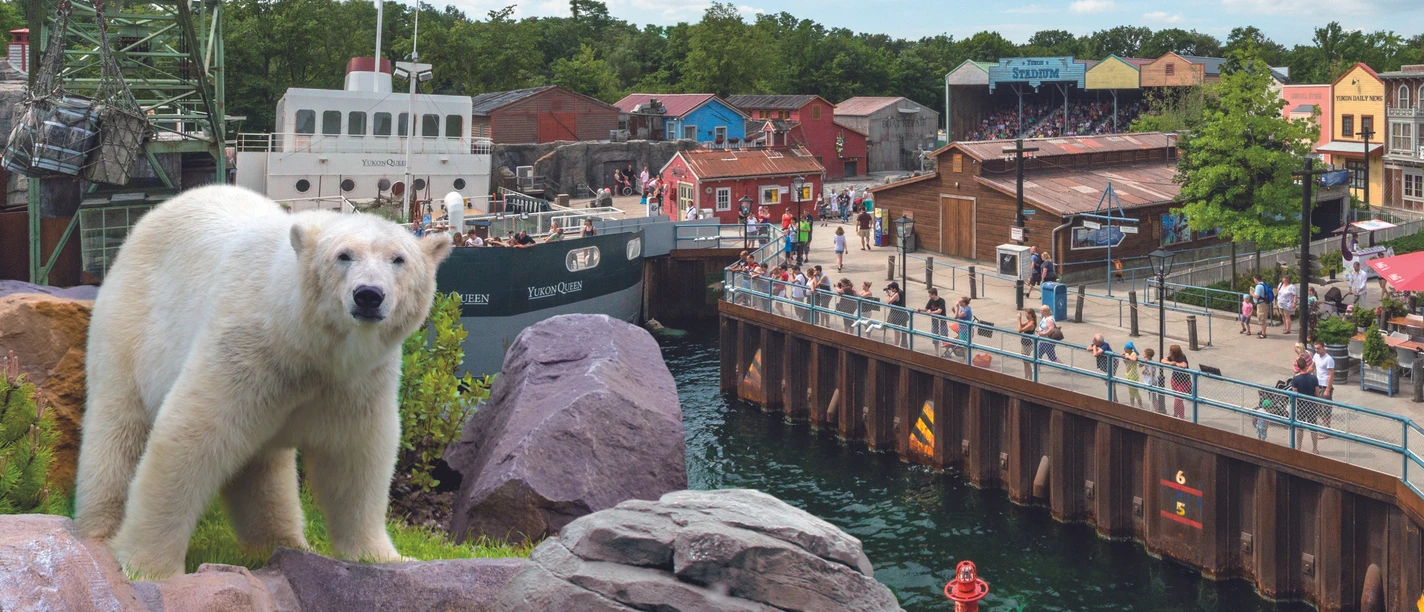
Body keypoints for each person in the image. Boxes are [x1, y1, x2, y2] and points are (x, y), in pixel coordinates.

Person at [1162, 345, 1190, 419]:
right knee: (1179, 401)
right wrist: (1170, 363)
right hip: (1174, 380)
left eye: (1171, 351)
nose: (1170, 353)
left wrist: (1176, 364)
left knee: (1177, 400)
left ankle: (1175, 414)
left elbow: (1184, 365)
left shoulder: (1182, 357)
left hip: (1183, 382)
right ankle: (1182, 417)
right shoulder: (1172, 357)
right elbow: (1162, 360)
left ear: (1175, 352)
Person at [1122, 342, 1144, 409]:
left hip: (1133, 376)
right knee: (1130, 391)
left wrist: (1128, 356)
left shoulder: (1133, 353)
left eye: (1125, 349)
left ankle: (1141, 406)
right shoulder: (1127, 353)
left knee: (1135, 391)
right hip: (1128, 375)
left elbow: (1134, 359)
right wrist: (1124, 356)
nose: (1124, 350)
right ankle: (1132, 405)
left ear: (1129, 349)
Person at [885, 282, 907, 347]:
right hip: (900, 312)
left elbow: (889, 301)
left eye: (891, 288)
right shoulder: (900, 291)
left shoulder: (897, 294)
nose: (891, 290)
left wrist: (888, 295)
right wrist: (889, 285)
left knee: (896, 329)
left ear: (894, 288)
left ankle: (896, 344)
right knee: (896, 329)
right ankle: (896, 343)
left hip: (897, 313)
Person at [1017, 308, 1038, 378]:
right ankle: (1027, 377)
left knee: (1026, 362)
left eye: (1027, 314)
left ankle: (1029, 379)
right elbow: (1022, 326)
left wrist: (1019, 319)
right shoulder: (1029, 321)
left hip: (1027, 344)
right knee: (1025, 362)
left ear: (1030, 315)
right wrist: (1020, 320)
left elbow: (1020, 330)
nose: (1025, 315)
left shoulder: (1031, 324)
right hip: (1024, 343)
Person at [1142, 348, 1164, 414]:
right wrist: (1144, 363)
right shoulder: (1146, 361)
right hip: (1148, 381)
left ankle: (1156, 410)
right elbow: (1140, 365)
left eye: (1145, 354)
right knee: (1151, 396)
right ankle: (1154, 409)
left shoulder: (1152, 363)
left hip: (1152, 381)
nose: (1143, 355)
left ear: (1148, 356)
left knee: (1153, 397)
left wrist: (1146, 371)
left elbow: (1152, 373)